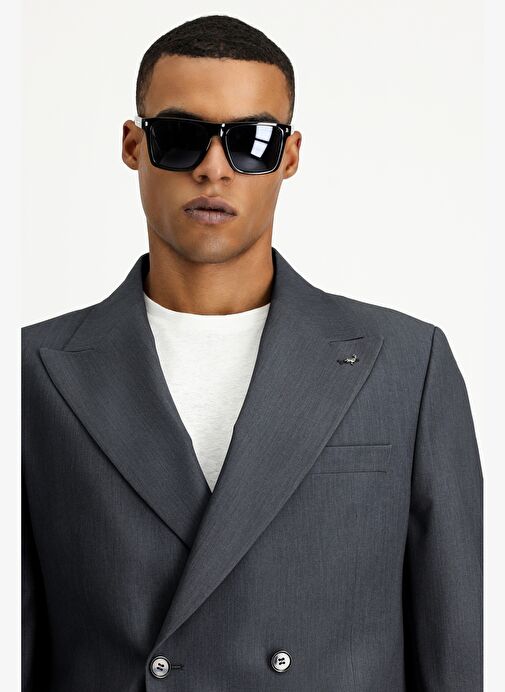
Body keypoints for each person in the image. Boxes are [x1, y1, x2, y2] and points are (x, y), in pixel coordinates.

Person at [21, 14, 483, 692]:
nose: (213, 168)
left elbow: (456, 653)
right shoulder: (31, 372)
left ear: (289, 157)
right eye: (180, 137)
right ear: (133, 145)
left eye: (252, 142)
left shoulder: (408, 366)